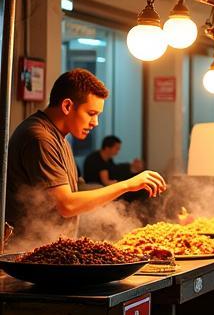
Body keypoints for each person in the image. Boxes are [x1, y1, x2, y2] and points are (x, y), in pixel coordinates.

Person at [5, 69, 165, 244]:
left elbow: (75, 193)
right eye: (91, 113)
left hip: (50, 249)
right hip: (27, 252)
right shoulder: (40, 138)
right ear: (67, 106)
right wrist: (127, 184)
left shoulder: (60, 139)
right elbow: (67, 205)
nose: (95, 123)